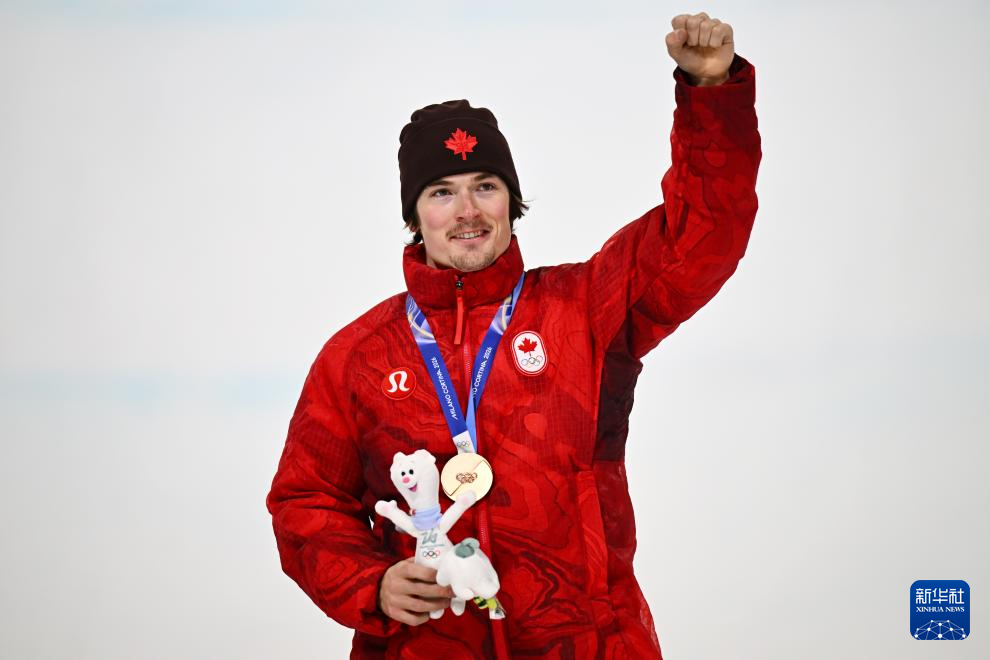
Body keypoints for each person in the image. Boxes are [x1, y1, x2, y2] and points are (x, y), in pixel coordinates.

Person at [267, 11, 761, 659]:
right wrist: (372, 583)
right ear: (414, 214)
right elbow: (306, 501)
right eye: (441, 192)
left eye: (486, 186)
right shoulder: (359, 355)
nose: (467, 212)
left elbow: (699, 237)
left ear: (511, 202)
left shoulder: (585, 309)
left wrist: (711, 95)